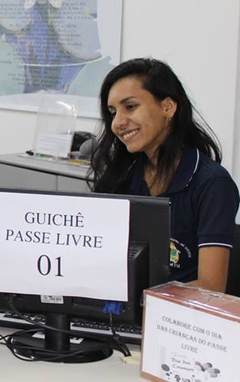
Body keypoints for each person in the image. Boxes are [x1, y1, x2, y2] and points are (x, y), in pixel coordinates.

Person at [91, 58, 238, 292]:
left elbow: (211, 286)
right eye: (112, 112)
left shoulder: (212, 183)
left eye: (130, 107)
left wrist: (142, 302)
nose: (117, 123)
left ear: (168, 107)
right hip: (121, 308)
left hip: (176, 313)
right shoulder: (123, 176)